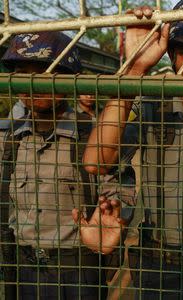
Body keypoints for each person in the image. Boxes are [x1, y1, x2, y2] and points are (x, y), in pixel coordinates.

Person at [75, 1, 183, 298]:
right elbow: (96, 162)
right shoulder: (153, 106)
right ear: (173, 57)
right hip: (155, 266)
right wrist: (135, 67)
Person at [0, 31, 107, 299]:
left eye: (45, 72)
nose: (32, 83)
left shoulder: (91, 135)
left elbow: (115, 190)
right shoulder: (7, 137)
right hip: (22, 266)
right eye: (23, 72)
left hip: (78, 269)